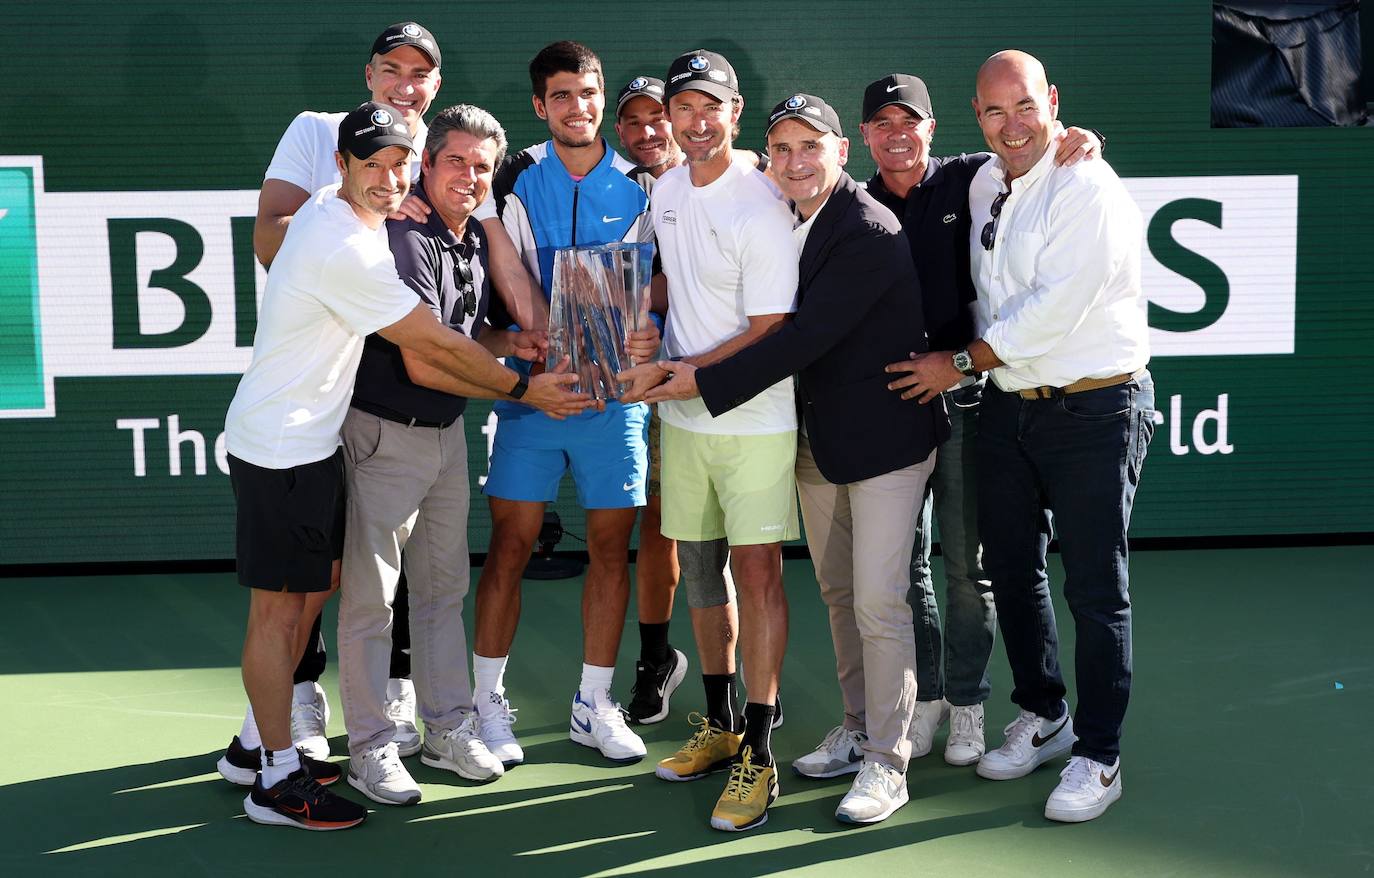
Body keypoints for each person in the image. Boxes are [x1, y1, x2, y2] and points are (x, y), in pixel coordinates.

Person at [224, 101, 589, 830]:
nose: (390, 180)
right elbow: (437, 351)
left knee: (313, 597)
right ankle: (273, 776)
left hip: (311, 446)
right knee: (279, 613)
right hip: (279, 449)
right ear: (342, 167)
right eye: (375, 165)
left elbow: (461, 331)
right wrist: (524, 389)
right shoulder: (351, 250)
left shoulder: (343, 212)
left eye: (399, 163)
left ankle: (255, 751)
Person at [635, 92, 947, 825]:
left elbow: (800, 338)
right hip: (816, 440)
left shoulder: (867, 229)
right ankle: (859, 725)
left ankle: (888, 762)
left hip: (885, 445)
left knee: (876, 599)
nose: (797, 161)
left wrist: (697, 381)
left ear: (843, 150)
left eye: (812, 147)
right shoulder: (782, 209)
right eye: (783, 149)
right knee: (838, 593)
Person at [888, 50, 1153, 823]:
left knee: (1097, 591)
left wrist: (958, 362)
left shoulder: (1088, 187)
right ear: (978, 118)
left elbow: (1053, 310)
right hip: (1007, 406)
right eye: (995, 112)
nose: (1012, 126)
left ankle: (1098, 756)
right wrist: (980, 373)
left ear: (1053, 103)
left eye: (1026, 107)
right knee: (1012, 567)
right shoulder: (982, 180)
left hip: (1096, 412)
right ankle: (1044, 712)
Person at [866, 74, 1101, 767]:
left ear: (934, 128)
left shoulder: (973, 178)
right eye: (882, 123)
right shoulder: (852, 202)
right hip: (891, 410)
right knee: (906, 569)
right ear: (866, 137)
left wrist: (1079, 137)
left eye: (909, 121)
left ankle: (967, 703)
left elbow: (1037, 147)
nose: (897, 134)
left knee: (969, 569)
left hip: (970, 399)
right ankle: (928, 698)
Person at [466, 41, 659, 767]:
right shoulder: (511, 176)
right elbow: (485, 292)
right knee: (510, 548)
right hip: (530, 400)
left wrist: (649, 335)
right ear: (540, 107)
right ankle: (487, 703)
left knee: (611, 548)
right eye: (562, 97)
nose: (578, 108)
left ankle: (594, 704)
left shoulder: (647, 180)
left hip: (618, 403)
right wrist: (517, 346)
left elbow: (665, 285)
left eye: (588, 93)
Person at [620, 49, 798, 833]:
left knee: (756, 573)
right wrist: (635, 319)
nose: (693, 122)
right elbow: (670, 276)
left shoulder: (760, 199)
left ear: (734, 113)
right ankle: (721, 724)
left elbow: (770, 330)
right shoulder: (662, 189)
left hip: (754, 419)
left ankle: (760, 749)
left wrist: (684, 369)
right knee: (700, 570)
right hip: (683, 415)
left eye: (709, 108)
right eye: (680, 108)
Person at [338, 104, 525, 806]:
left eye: (483, 167)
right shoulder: (408, 236)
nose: (469, 177)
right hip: (385, 434)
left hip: (447, 437)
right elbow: (423, 360)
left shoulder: (471, 236)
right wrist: (525, 389)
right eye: (456, 162)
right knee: (371, 602)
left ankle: (446, 728)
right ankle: (370, 748)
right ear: (427, 163)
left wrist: (512, 346)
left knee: (444, 591)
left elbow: (465, 335)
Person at [610, 75, 777, 727]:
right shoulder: (622, 190)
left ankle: (759, 693)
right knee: (667, 531)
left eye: (663, 115)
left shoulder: (746, 175)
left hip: (739, 389)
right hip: (656, 389)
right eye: (637, 120)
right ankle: (660, 664)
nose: (651, 130)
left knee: (748, 548)